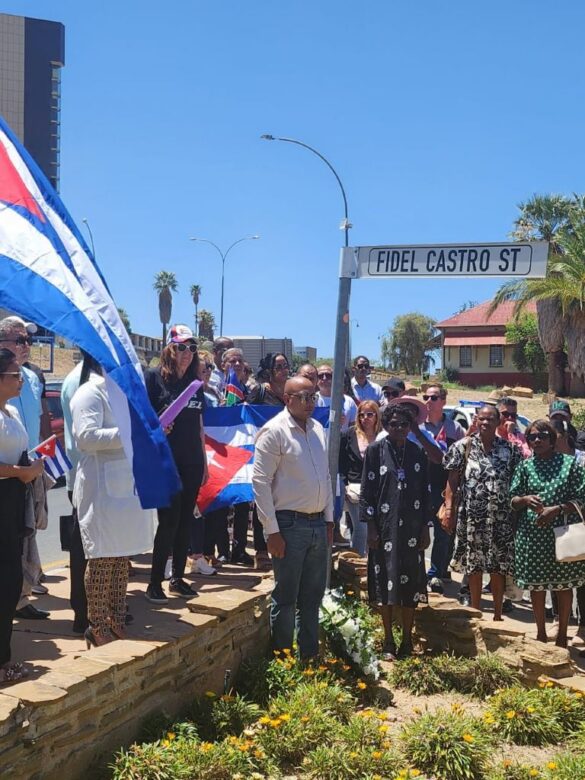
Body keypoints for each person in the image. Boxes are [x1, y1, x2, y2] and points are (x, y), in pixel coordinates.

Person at [71, 354, 156, 647]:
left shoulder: (121, 394)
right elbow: (86, 437)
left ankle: (117, 618)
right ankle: (96, 624)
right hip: (102, 490)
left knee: (120, 558)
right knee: (102, 559)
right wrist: (131, 433)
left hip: (124, 488)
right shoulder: (89, 392)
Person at [252, 376, 333, 659]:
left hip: (316, 523)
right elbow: (260, 483)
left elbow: (325, 476)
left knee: (312, 597)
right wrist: (271, 531)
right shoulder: (273, 432)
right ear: (287, 399)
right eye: (304, 397)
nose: (311, 402)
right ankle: (283, 659)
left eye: (313, 397)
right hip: (288, 524)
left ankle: (309, 658)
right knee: (286, 597)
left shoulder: (318, 429)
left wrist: (330, 519)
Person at [361, 403, 431, 660]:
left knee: (410, 585)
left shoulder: (417, 453)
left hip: (412, 530)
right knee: (385, 585)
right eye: (394, 424)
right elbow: (367, 493)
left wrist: (426, 528)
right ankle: (389, 640)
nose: (399, 428)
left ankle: (407, 640)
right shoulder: (375, 451)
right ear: (385, 426)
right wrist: (370, 527)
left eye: (404, 424)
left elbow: (425, 493)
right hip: (384, 529)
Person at [145, 325, 209, 602]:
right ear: (170, 348)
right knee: (168, 522)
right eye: (182, 347)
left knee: (186, 523)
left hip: (192, 461)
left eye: (192, 348)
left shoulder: (195, 386)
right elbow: (143, 419)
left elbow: (199, 427)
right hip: (166, 462)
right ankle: (154, 582)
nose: (187, 353)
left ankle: (178, 578)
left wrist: (205, 464)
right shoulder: (154, 378)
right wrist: (158, 427)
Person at [443, 405, 522, 620]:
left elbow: (519, 482)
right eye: (482, 419)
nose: (486, 423)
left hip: (501, 518)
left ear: (498, 422)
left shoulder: (510, 450)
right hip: (472, 517)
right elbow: (452, 480)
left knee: (498, 567)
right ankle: (476, 612)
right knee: (475, 565)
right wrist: (449, 509)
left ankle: (497, 614)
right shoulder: (463, 447)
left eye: (490, 419)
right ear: (476, 421)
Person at [511, 420, 585, 647]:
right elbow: (512, 500)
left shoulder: (570, 465)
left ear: (553, 439)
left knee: (563, 586)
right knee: (536, 586)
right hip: (532, 536)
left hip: (562, 536)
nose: (537, 440)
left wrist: (558, 509)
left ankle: (562, 636)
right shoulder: (525, 466)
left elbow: (582, 499)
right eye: (532, 437)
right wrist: (524, 499)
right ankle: (541, 634)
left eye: (542, 436)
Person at [0, 349, 45, 683]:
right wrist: (18, 472)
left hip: (15, 499)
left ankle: (4, 657)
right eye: (15, 375)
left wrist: (32, 465)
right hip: (4, 493)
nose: (21, 380)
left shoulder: (12, 410)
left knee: (11, 577)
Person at [0, 316, 49, 621]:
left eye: (28, 341)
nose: (26, 346)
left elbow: (42, 415)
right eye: (19, 340)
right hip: (11, 473)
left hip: (29, 465)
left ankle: (21, 595)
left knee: (24, 538)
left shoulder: (31, 376)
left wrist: (44, 452)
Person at [206, 347, 253, 566]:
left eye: (239, 361)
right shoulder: (214, 391)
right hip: (221, 451)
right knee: (222, 505)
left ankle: (240, 549)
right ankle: (222, 549)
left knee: (243, 502)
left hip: (243, 451)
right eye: (231, 361)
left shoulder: (252, 390)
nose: (235, 364)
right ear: (223, 365)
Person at [420, 384, 465, 594]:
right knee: (419, 529)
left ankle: (437, 572)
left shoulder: (455, 429)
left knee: (444, 531)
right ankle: (422, 572)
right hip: (421, 484)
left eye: (434, 397)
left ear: (444, 401)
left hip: (445, 485)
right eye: (426, 397)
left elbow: (462, 457)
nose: (429, 401)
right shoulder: (418, 427)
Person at [60, 359, 87, 632]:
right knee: (84, 548)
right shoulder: (81, 380)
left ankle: (92, 607)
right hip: (84, 473)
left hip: (89, 474)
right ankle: (83, 611)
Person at [339, 400, 381, 555]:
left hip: (378, 488)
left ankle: (372, 564)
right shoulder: (349, 434)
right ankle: (356, 562)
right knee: (362, 527)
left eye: (370, 414)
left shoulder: (383, 435)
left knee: (376, 528)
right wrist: (344, 484)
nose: (365, 418)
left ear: (377, 416)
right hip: (355, 488)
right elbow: (341, 461)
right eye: (361, 414)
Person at [315, 363, 357, 433]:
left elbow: (354, 426)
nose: (324, 378)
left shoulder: (348, 401)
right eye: (320, 376)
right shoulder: (312, 400)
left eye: (328, 375)